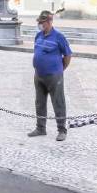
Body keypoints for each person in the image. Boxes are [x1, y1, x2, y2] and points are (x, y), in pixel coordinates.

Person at [29, 10, 72, 141]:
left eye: (42, 22)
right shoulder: (38, 36)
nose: (40, 25)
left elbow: (68, 55)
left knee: (58, 102)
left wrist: (60, 69)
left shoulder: (59, 36)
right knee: (39, 102)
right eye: (39, 22)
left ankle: (61, 130)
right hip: (39, 75)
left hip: (54, 75)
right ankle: (40, 128)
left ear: (49, 22)